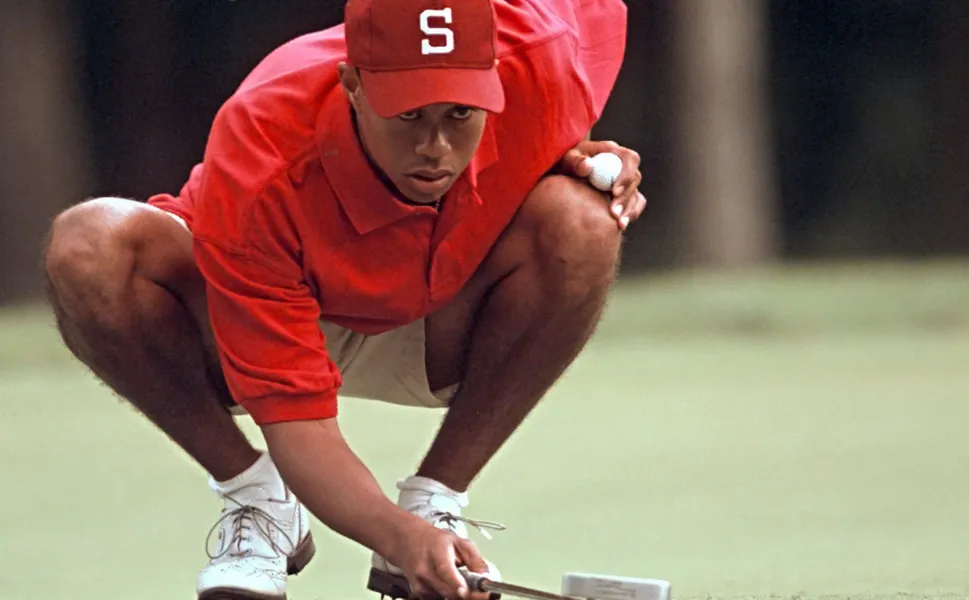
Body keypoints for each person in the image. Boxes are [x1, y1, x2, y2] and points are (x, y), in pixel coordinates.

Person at [42, 0, 644, 599]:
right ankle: (260, 501)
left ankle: (437, 502)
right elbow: (300, 425)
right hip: (258, 316)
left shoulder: (540, 54)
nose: (435, 147)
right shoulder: (261, 143)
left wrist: (589, 159)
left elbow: (562, 113)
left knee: (584, 219)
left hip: (440, 322)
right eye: (408, 116)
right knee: (88, 245)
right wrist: (390, 531)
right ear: (352, 84)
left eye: (460, 112)